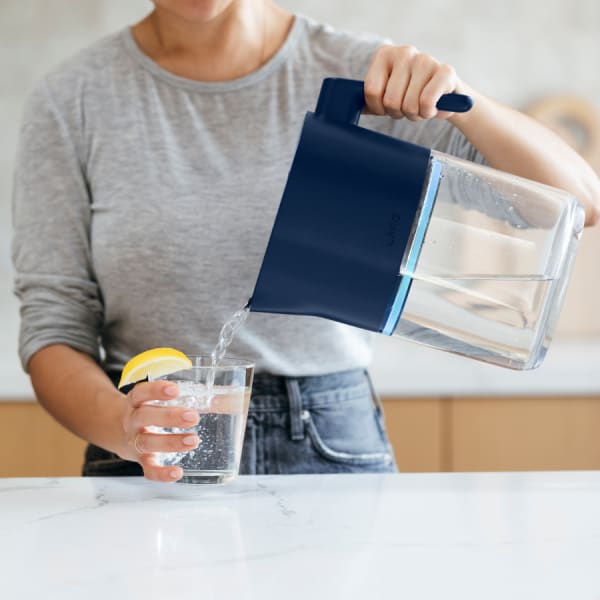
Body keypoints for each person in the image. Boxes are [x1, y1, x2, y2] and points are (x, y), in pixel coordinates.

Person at [12, 0, 600, 482]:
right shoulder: (74, 100)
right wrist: (123, 426)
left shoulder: (367, 77)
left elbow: (579, 202)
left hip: (329, 438)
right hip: (141, 449)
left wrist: (464, 103)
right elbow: (53, 329)